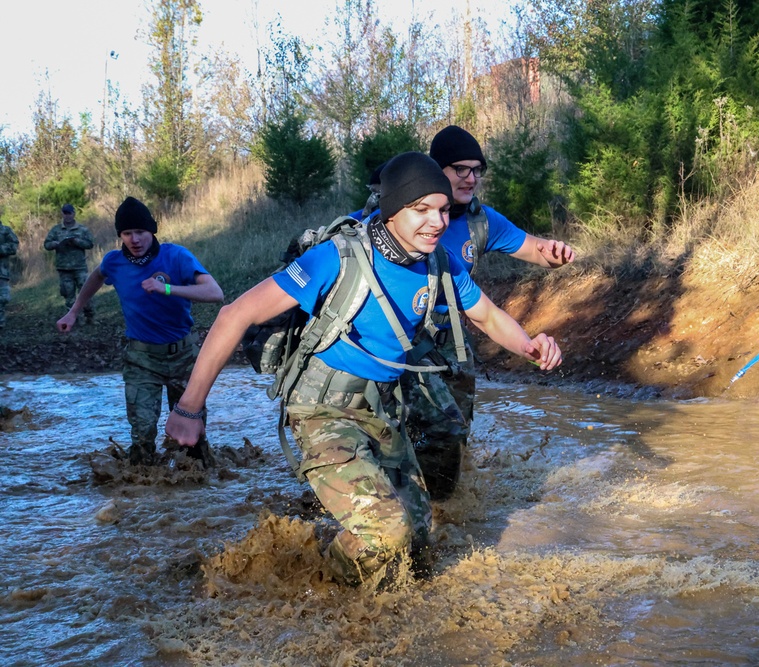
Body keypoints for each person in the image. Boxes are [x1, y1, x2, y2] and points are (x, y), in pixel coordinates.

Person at [165, 152, 562, 587]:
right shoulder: (336, 259)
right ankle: (316, 585)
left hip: (382, 411)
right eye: (422, 209)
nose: (438, 222)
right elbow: (233, 315)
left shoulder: (438, 263)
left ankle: (370, 594)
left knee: (419, 544)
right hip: (322, 412)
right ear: (392, 211)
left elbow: (486, 316)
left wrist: (529, 345)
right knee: (386, 534)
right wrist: (189, 408)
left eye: (444, 210)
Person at [404, 125, 576, 499]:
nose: (471, 178)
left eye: (477, 170)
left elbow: (532, 250)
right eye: (460, 169)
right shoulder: (398, 214)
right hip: (395, 331)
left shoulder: (481, 221)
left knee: (452, 431)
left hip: (452, 336)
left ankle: (442, 508)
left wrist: (555, 253)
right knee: (398, 426)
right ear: (436, 170)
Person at [56, 197, 224, 466]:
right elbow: (97, 276)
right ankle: (141, 495)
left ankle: (200, 491)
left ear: (152, 231)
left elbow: (215, 293)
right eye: (127, 233)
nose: (134, 239)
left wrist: (167, 288)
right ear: (120, 235)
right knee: (142, 434)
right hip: (141, 359)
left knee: (193, 438)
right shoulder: (114, 262)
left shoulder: (176, 256)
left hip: (183, 356)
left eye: (140, 232)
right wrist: (74, 311)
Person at [44, 204, 97, 323]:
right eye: (65, 213)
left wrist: (77, 241)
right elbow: (46, 244)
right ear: (62, 214)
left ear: (74, 214)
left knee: (86, 293)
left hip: (80, 267)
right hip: (63, 268)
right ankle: (74, 319)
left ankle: (90, 317)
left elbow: (90, 244)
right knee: (68, 296)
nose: (67, 216)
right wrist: (54, 244)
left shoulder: (82, 229)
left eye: (69, 213)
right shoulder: (56, 230)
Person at [0, 217, 19, 331]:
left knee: (3, 298)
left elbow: (14, 245)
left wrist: (1, 249)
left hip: (2, 270)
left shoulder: (5, 230)